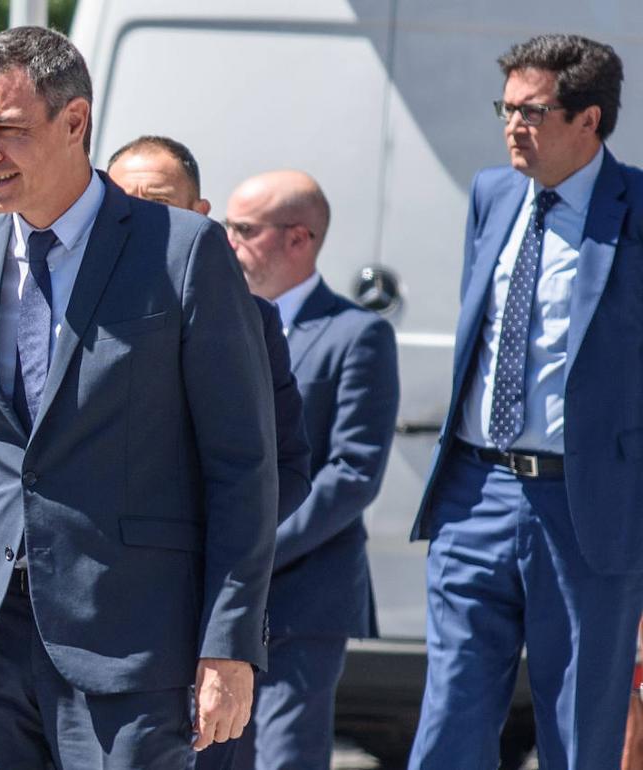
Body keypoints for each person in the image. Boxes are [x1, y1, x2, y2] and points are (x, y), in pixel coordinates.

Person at [0, 26, 277, 768]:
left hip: (130, 645)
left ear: (74, 121)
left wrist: (229, 642)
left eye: (8, 130)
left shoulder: (183, 252)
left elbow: (241, 464)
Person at [409, 34, 643, 770]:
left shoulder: (637, 208)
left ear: (589, 120)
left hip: (586, 505)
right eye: (506, 109)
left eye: (531, 112)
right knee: (449, 717)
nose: (513, 126)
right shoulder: (493, 193)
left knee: (577, 728)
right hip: (475, 491)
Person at [215, 170, 398, 770]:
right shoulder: (218, 323)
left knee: (285, 758)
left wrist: (257, 545)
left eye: (245, 230)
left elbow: (353, 472)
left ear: (299, 239)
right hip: (218, 599)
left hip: (302, 595)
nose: (228, 241)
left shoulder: (358, 334)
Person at [106, 135, 311, 521]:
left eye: (159, 204)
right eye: (121, 202)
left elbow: (285, 467)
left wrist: (216, 541)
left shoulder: (248, 319)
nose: (137, 218)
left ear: (199, 214)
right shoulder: (62, 311)